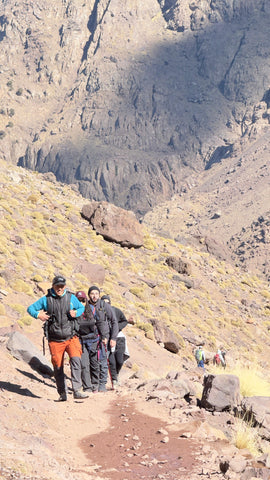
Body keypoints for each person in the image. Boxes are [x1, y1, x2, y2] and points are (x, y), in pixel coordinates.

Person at [27, 275, 89, 401]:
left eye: (62, 286)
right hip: (55, 340)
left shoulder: (71, 298)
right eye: (57, 286)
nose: (59, 288)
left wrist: (76, 313)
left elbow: (82, 307)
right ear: (53, 286)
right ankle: (62, 393)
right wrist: (38, 314)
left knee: (76, 361)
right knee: (58, 367)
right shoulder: (46, 300)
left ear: (65, 286)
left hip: (71, 337)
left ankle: (77, 390)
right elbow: (30, 308)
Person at [75, 290, 106, 393]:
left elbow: (100, 323)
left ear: (86, 301)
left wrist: (104, 336)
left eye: (83, 301)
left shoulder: (92, 310)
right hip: (81, 340)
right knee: (84, 364)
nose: (81, 303)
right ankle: (87, 387)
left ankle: (95, 384)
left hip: (94, 340)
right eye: (78, 301)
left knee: (94, 363)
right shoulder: (73, 312)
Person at [101, 294, 134, 387]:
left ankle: (117, 374)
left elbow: (124, 321)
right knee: (111, 361)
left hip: (119, 338)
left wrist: (116, 328)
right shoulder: (99, 312)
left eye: (107, 303)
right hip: (107, 339)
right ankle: (114, 380)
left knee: (119, 361)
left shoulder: (116, 311)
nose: (106, 305)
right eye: (103, 303)